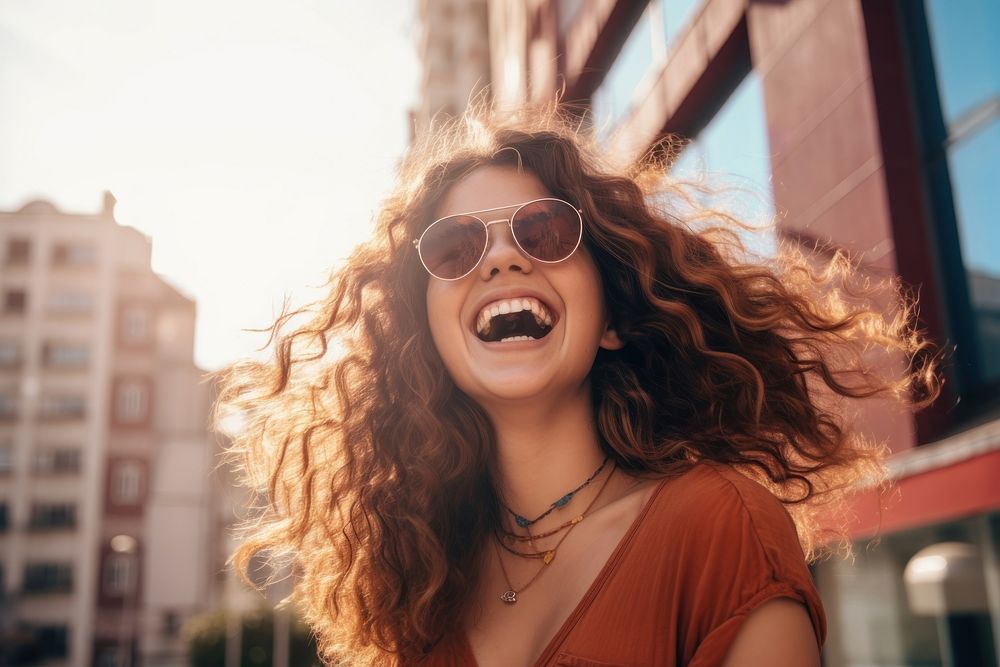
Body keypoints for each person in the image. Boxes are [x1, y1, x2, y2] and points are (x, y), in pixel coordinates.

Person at [216, 107, 938, 666]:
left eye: (544, 232)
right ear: (424, 339)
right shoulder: (419, 583)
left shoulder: (719, 523)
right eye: (457, 248)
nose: (500, 259)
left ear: (613, 318)